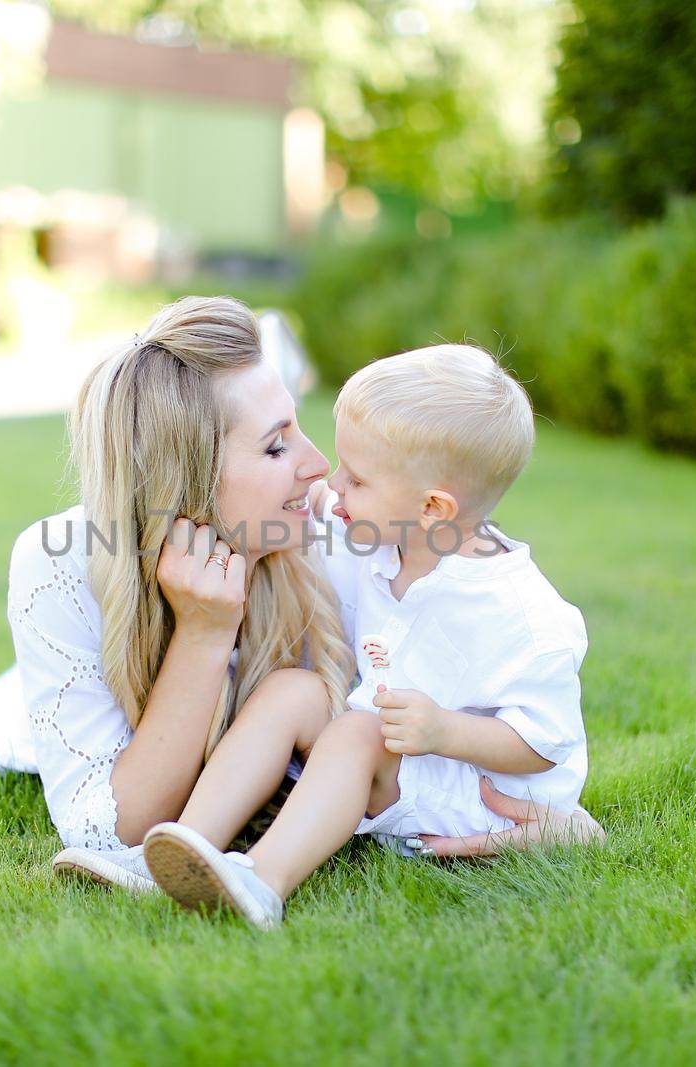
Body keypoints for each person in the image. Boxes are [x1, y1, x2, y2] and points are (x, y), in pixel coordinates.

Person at [139, 344, 604, 928]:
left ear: (432, 507)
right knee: (293, 691)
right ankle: (174, 849)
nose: (333, 486)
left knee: (360, 734)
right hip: (410, 756)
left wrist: (444, 730)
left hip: (481, 797)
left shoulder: (525, 616)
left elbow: (545, 744)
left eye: (356, 479)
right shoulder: (386, 541)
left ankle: (263, 881)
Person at [5, 295, 355, 892]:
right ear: (185, 479)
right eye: (276, 447)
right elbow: (105, 834)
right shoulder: (60, 561)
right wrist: (204, 631)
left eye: (297, 430)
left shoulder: (336, 524)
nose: (318, 464)